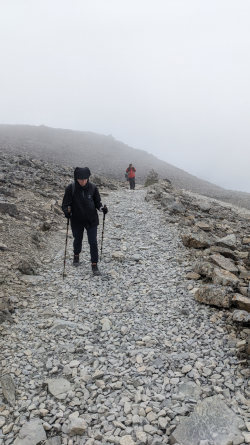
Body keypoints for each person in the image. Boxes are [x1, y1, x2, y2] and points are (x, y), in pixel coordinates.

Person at [62, 167, 108, 275]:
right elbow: (65, 204)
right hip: (77, 220)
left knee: (93, 242)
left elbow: (98, 203)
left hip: (91, 219)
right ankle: (76, 255)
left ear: (88, 178)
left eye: (85, 179)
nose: (83, 181)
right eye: (80, 179)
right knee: (78, 239)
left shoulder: (93, 188)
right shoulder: (71, 188)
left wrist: (102, 209)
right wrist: (66, 212)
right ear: (76, 178)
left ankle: (94, 264)